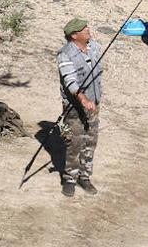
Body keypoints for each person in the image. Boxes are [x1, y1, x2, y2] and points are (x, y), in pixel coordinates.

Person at [56, 17, 103, 197]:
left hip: (94, 104)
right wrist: (83, 99)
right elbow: (70, 81)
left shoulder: (94, 47)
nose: (88, 30)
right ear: (74, 35)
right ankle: (69, 179)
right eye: (83, 29)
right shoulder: (65, 55)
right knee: (73, 142)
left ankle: (85, 176)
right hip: (74, 108)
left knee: (90, 141)